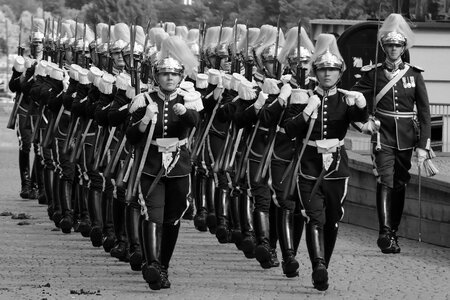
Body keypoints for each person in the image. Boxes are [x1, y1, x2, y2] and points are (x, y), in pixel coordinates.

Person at [284, 33, 368, 291]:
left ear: (339, 73)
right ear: (316, 72)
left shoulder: (345, 97)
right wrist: (307, 110)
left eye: (332, 70)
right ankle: (318, 264)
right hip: (309, 163)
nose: (327, 74)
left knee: (331, 220)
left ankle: (324, 265)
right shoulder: (301, 96)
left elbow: (359, 119)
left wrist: (363, 105)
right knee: (314, 217)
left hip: (336, 166)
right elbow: (289, 129)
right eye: (322, 70)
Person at [352, 13, 431, 254]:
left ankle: (394, 231)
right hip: (382, 136)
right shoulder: (372, 73)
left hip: (407, 137)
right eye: (389, 45)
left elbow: (425, 112)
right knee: (384, 179)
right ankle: (384, 232)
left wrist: (423, 145)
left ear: (403, 47)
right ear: (383, 47)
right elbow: (353, 99)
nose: (394, 49)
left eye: (397, 45)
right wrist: (364, 122)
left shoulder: (414, 75)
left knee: (399, 183)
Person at [126, 36, 201, 290]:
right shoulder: (144, 101)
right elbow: (131, 136)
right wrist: (145, 120)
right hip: (152, 166)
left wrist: (186, 113)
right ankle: (153, 265)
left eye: (174, 74)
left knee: (172, 219)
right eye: (164, 74)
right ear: (156, 76)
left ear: (181, 77)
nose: (169, 78)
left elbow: (195, 124)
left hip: (178, 166)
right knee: (152, 214)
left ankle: (164, 265)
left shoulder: (188, 99)